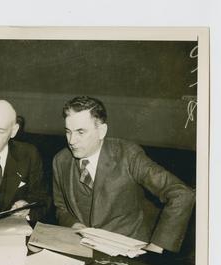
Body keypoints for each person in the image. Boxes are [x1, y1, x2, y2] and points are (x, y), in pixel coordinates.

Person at [52, 96, 195, 253]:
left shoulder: (128, 155)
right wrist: (73, 224)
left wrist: (157, 246)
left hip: (129, 251)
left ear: (101, 131)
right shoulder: (61, 160)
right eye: (68, 132)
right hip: (82, 248)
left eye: (80, 132)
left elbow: (182, 194)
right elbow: (60, 207)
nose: (72, 140)